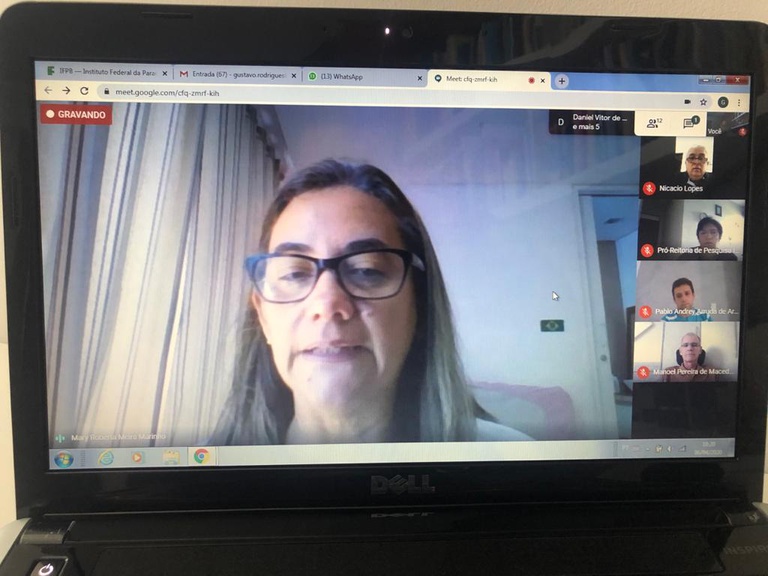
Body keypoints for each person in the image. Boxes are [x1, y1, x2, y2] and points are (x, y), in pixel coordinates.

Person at [211, 159, 529, 445]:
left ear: (419, 306)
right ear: (264, 318)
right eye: (294, 273)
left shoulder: (513, 460)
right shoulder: (208, 472)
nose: (327, 304)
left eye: (367, 270)